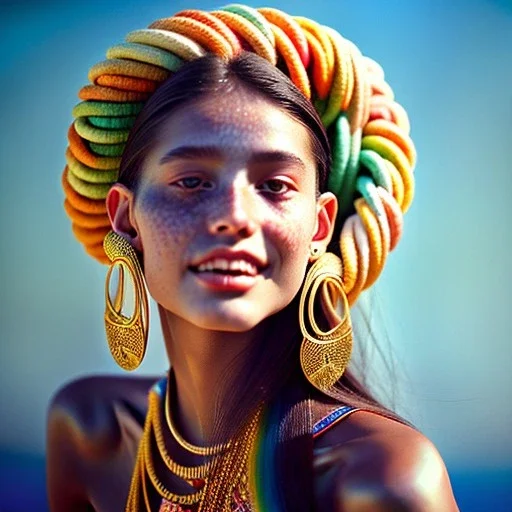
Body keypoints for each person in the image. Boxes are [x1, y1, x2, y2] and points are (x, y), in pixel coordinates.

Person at [47, 5, 460, 511]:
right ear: (126, 218)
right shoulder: (91, 430)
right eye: (192, 181)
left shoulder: (379, 480)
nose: (234, 217)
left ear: (319, 227)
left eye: (274, 185)